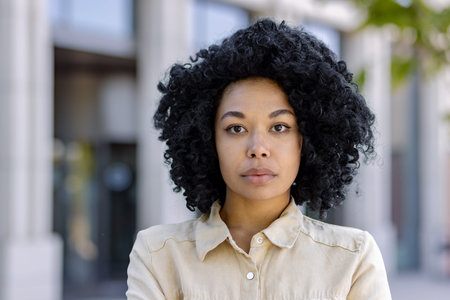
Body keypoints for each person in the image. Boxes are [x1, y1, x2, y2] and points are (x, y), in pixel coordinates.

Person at [126, 19, 391, 299]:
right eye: (236, 129)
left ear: (306, 140)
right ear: (208, 140)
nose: (258, 148)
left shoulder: (353, 259)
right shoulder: (158, 254)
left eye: (279, 127)